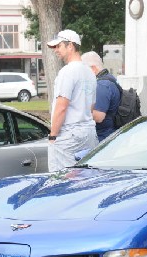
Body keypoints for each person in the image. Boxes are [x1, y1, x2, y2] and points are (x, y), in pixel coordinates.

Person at [46, 29, 98, 172]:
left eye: (59, 46)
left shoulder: (67, 72)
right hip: (88, 132)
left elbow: (61, 107)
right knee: (85, 178)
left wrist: (53, 136)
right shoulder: (90, 73)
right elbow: (91, 106)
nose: (56, 50)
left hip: (69, 135)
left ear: (70, 46)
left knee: (61, 179)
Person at [81, 51, 121, 142]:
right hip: (110, 135)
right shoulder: (110, 79)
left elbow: (98, 117)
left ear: (93, 69)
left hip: (103, 138)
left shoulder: (102, 85)